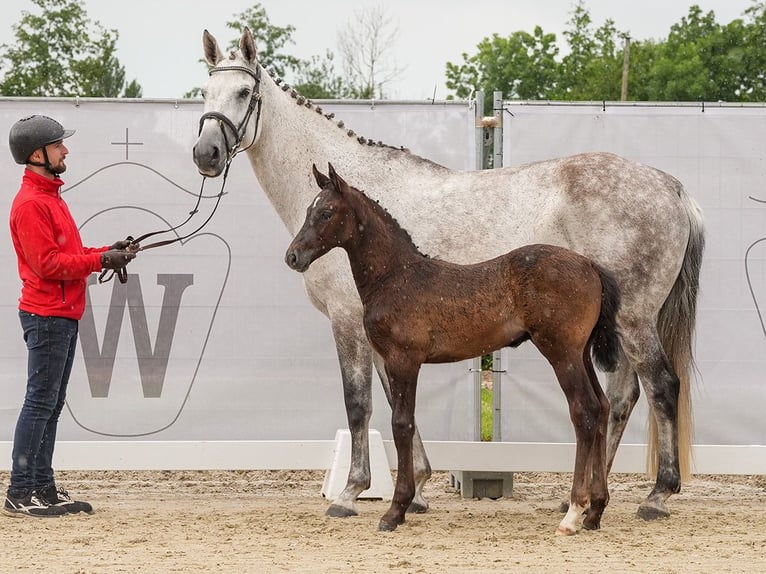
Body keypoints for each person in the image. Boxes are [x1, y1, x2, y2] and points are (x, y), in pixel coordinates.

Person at [4, 115, 137, 518]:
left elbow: (65, 253)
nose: (66, 150)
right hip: (47, 315)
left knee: (51, 404)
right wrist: (100, 260)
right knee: (40, 403)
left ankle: (42, 488)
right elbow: (47, 264)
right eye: (59, 145)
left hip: (60, 313)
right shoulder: (31, 204)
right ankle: (21, 492)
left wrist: (105, 251)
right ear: (37, 154)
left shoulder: (49, 198)